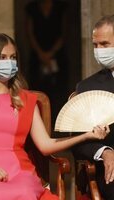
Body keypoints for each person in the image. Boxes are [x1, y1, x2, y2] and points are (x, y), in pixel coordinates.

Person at [0, 33, 109, 200]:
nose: (9, 62)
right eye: (2, 57)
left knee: (26, 193)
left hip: (21, 172)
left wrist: (87, 135)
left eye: (13, 57)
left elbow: (45, 145)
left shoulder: (26, 100)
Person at [72, 15, 114, 200]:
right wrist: (104, 152)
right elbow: (78, 141)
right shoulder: (87, 87)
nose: (99, 51)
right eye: (95, 45)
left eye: (105, 44)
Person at [25, 0, 69, 124]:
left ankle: (59, 122)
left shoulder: (61, 6)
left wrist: (51, 53)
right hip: (37, 55)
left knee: (58, 89)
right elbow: (29, 33)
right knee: (37, 87)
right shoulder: (32, 8)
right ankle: (38, 121)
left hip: (58, 55)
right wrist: (41, 54)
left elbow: (64, 33)